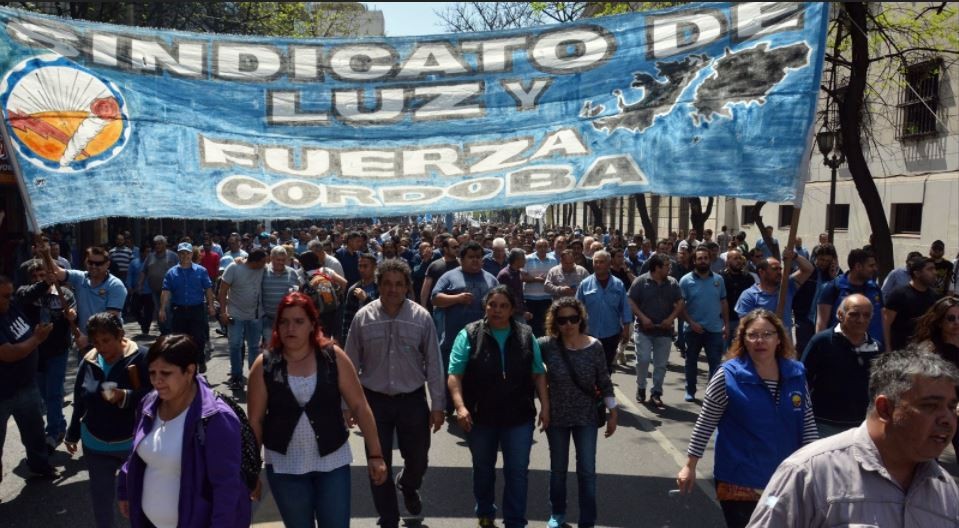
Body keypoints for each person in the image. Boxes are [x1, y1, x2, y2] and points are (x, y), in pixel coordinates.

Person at [747, 348, 959, 527]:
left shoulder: (947, 491)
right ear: (885, 409)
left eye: (952, 407)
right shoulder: (809, 472)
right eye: (930, 406)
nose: (947, 419)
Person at [247, 293, 387, 527]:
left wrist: (375, 454)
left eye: (299, 321)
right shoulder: (265, 365)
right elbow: (256, 421)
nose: (290, 328)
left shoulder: (332, 357)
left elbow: (360, 406)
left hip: (332, 462)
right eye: (284, 321)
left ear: (313, 324)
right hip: (285, 465)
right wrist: (251, 472)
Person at [676, 309, 818, 528]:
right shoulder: (728, 375)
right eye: (752, 335)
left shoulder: (796, 374)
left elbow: (807, 426)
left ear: (779, 339)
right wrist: (690, 465)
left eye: (767, 334)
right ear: (743, 339)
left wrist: (817, 469)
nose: (760, 341)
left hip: (785, 480)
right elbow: (705, 422)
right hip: (739, 482)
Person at [345, 259, 446, 528]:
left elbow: (434, 362)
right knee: (378, 462)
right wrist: (347, 405)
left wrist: (438, 405)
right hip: (373, 402)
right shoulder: (363, 317)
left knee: (419, 459)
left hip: (412, 400)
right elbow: (350, 365)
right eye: (387, 284)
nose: (393, 289)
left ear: (407, 287)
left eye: (399, 284)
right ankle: (387, 517)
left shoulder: (421, 318)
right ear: (379, 285)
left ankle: (409, 484)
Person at [118, 334, 250, 527]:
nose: (157, 381)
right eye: (152, 373)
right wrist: (124, 489)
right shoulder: (148, 404)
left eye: (166, 373)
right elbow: (134, 455)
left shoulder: (216, 418)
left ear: (189, 371)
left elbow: (227, 490)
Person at [447, 285, 549, 528]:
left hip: (519, 417)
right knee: (483, 470)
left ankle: (515, 521)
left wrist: (546, 406)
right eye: (493, 305)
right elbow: (454, 375)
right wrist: (460, 407)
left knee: (517, 473)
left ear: (512, 309)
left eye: (504, 306)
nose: (497, 310)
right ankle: (485, 511)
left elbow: (538, 374)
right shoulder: (469, 334)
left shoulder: (526, 335)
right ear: (485, 306)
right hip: (481, 418)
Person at [538, 297, 617, 528]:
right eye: (562, 320)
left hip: (586, 417)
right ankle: (558, 513)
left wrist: (613, 412)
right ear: (555, 322)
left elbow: (604, 380)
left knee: (587, 471)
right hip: (558, 417)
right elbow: (526, 361)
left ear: (581, 318)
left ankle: (587, 520)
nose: (568, 324)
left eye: (573, 318)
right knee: (558, 470)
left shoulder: (595, 346)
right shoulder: (546, 345)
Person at [65, 312, 150, 528]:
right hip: (95, 442)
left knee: (140, 499)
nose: (101, 348)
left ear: (120, 335)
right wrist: (72, 432)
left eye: (106, 341)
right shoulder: (89, 360)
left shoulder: (142, 357)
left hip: (133, 444)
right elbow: (79, 399)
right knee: (101, 501)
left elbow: (156, 396)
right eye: (95, 342)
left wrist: (126, 396)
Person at [0, 274, 57, 479]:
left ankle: (40, 466)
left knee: (35, 432)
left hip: (26, 386)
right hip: (2, 394)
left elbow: (28, 294)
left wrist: (46, 282)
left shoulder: (10, 305)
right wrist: (37, 338)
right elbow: (9, 353)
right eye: (5, 296)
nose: (10, 299)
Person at [801, 294, 881, 438]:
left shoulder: (876, 347)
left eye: (866, 315)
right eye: (854, 314)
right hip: (825, 424)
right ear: (840, 314)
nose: (861, 320)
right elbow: (803, 379)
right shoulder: (822, 342)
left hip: (862, 425)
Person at [17, 259, 76, 452]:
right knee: (44, 394)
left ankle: (52, 433)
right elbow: (27, 296)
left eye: (42, 275)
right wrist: (44, 284)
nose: (38, 279)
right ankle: (59, 424)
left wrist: (72, 316)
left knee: (54, 393)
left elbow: (73, 315)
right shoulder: (25, 293)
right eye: (34, 276)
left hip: (58, 350)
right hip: (36, 353)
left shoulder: (64, 294)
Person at [38, 241, 127, 351]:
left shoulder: (115, 285)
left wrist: (89, 339)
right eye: (90, 262)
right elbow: (56, 271)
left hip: (108, 341)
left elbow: (109, 319)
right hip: (85, 342)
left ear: (107, 264)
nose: (93, 266)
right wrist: (46, 254)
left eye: (98, 264)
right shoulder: (81, 277)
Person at [432, 241, 499, 378]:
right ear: (461, 260)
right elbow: (435, 298)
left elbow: (501, 303)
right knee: (452, 381)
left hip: (483, 342)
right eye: (471, 257)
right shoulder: (449, 277)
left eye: (478, 257)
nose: (475, 260)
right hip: (453, 341)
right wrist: (457, 298)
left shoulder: (491, 279)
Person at [628, 253, 684, 408]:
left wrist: (671, 319)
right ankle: (641, 386)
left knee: (660, 364)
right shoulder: (641, 282)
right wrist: (643, 317)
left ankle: (656, 392)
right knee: (643, 360)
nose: (670, 268)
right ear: (657, 267)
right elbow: (630, 300)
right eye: (667, 266)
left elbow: (680, 302)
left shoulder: (672, 283)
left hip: (664, 332)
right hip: (643, 330)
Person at [679, 246, 730, 401]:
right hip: (693, 330)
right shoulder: (685, 280)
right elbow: (680, 307)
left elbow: (724, 302)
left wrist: (726, 325)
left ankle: (712, 393)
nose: (703, 261)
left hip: (714, 329)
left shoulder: (718, 280)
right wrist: (691, 322)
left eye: (705, 258)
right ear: (694, 261)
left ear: (710, 260)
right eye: (699, 258)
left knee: (715, 364)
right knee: (691, 363)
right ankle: (690, 390)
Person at [912, 294, 959, 454]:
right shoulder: (929, 350)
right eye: (951, 318)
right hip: (936, 412)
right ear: (940, 322)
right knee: (928, 457)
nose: (957, 323)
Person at [159, 242, 216, 371]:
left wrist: (211, 305)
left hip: (196, 309)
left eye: (187, 253)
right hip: (179, 310)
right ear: (178, 254)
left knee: (198, 338)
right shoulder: (171, 273)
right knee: (180, 339)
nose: (185, 256)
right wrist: (162, 309)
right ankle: (184, 365)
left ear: (192, 254)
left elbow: (208, 289)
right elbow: (166, 291)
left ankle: (200, 360)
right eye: (182, 253)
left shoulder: (201, 271)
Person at [575, 251, 631, 374]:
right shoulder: (585, 284)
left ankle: (604, 391)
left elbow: (625, 308)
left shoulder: (618, 284)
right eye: (596, 262)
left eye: (601, 262)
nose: (598, 265)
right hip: (590, 333)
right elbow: (577, 308)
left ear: (609, 264)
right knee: (590, 367)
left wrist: (626, 329)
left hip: (611, 333)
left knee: (606, 368)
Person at [218, 248, 267, 389]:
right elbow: (222, 291)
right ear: (255, 262)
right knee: (234, 345)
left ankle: (254, 376)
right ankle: (236, 376)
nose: (266, 264)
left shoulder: (263, 269)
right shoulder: (234, 268)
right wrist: (223, 313)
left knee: (253, 347)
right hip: (235, 315)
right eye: (263, 261)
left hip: (255, 316)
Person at [816, 248, 884, 349]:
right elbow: (821, 323)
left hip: (872, 350)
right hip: (840, 349)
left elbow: (883, 319)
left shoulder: (874, 288)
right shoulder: (834, 288)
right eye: (871, 266)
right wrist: (821, 349)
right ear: (858, 266)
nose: (875, 269)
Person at [734, 250, 813, 336]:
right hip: (762, 344)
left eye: (780, 269)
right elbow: (744, 326)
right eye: (775, 269)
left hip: (785, 345)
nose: (779, 272)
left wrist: (795, 256)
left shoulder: (787, 287)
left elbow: (809, 269)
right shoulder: (749, 295)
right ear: (761, 272)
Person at [882, 255, 941, 351]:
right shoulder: (899, 294)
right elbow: (886, 323)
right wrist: (887, 348)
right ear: (917, 273)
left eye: (934, 269)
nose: (935, 273)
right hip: (901, 352)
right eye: (930, 269)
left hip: (924, 353)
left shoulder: (934, 296)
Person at [261, 245, 303, 337]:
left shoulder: (292, 273)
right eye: (278, 260)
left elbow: (299, 292)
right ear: (271, 258)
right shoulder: (263, 271)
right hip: (268, 319)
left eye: (283, 260)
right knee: (269, 347)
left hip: (286, 320)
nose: (281, 262)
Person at [720, 249, 756, 351]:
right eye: (735, 258)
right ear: (728, 261)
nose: (739, 261)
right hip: (723, 321)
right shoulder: (721, 277)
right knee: (721, 353)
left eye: (740, 258)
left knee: (739, 353)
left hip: (742, 321)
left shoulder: (748, 278)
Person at [142, 236, 178, 335]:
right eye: (156, 244)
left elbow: (179, 269)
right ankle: (163, 331)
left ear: (164, 244)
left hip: (168, 289)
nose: (157, 246)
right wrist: (139, 284)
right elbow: (144, 271)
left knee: (166, 308)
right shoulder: (150, 256)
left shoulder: (173, 256)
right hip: (155, 289)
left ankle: (169, 331)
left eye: (160, 243)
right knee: (158, 310)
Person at [341, 252, 378, 343]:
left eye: (365, 266)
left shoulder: (382, 288)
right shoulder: (353, 290)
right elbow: (347, 318)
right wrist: (346, 340)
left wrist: (366, 299)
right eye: (360, 266)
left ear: (374, 267)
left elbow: (384, 311)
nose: (361, 269)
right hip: (359, 336)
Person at [523, 239, 556, 337]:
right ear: (535, 247)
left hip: (546, 298)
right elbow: (522, 277)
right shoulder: (527, 259)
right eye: (540, 246)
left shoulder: (553, 260)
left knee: (544, 325)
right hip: (529, 298)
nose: (542, 249)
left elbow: (555, 277)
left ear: (548, 247)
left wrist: (547, 280)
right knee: (531, 325)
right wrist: (536, 279)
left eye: (544, 246)